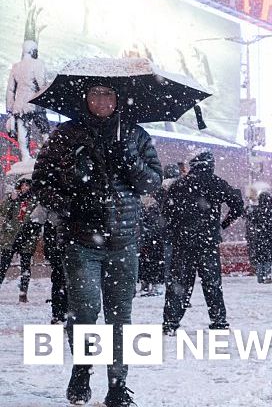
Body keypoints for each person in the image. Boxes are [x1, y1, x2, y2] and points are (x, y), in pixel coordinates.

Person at [32, 82, 162, 407]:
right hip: (81, 241)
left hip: (123, 241)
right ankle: (82, 368)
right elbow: (41, 182)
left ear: (118, 99)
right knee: (85, 311)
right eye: (95, 94)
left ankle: (118, 386)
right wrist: (71, 202)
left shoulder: (134, 134)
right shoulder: (66, 135)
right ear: (85, 98)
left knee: (120, 316)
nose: (102, 101)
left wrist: (129, 159)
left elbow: (153, 181)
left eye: (108, 94)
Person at [162, 151, 245, 334]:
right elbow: (238, 205)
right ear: (210, 165)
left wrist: (176, 229)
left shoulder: (180, 185)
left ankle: (170, 322)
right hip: (208, 241)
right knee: (212, 283)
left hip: (183, 242)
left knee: (179, 284)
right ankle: (218, 320)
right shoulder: (217, 183)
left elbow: (166, 212)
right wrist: (222, 225)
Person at [4, 39, 49, 159]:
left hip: (20, 106)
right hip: (35, 104)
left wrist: (10, 110)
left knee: (23, 133)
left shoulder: (16, 67)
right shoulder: (38, 64)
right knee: (44, 130)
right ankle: (49, 154)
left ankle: (25, 157)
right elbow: (42, 85)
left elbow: (10, 90)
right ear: (33, 51)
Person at [0, 177, 41, 303]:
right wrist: (10, 200)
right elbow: (4, 212)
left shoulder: (35, 200)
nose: (24, 188)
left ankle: (23, 293)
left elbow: (37, 218)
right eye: (22, 186)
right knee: (3, 265)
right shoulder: (14, 199)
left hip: (28, 237)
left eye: (27, 185)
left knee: (25, 267)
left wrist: (31, 232)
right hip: (11, 236)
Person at [245, 191, 272, 284]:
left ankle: (260, 277)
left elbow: (248, 218)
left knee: (260, 258)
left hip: (259, 237)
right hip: (271, 237)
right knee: (269, 258)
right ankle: (267, 276)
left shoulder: (256, 210)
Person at [137, 191, 168, 297]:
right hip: (148, 238)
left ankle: (154, 284)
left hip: (154, 238)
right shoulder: (143, 206)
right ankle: (146, 283)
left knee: (154, 261)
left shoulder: (156, 204)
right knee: (146, 261)